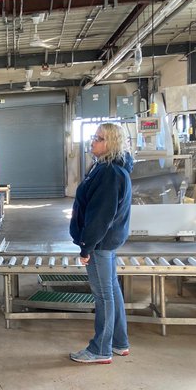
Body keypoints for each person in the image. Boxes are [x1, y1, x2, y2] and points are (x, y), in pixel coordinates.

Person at [69, 122, 133, 364]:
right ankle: (119, 342)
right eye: (94, 137)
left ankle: (100, 350)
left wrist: (87, 246)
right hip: (107, 242)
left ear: (111, 144)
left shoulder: (109, 173)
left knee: (103, 295)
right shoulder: (107, 168)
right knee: (112, 291)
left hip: (100, 243)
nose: (92, 142)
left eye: (98, 138)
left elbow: (100, 216)